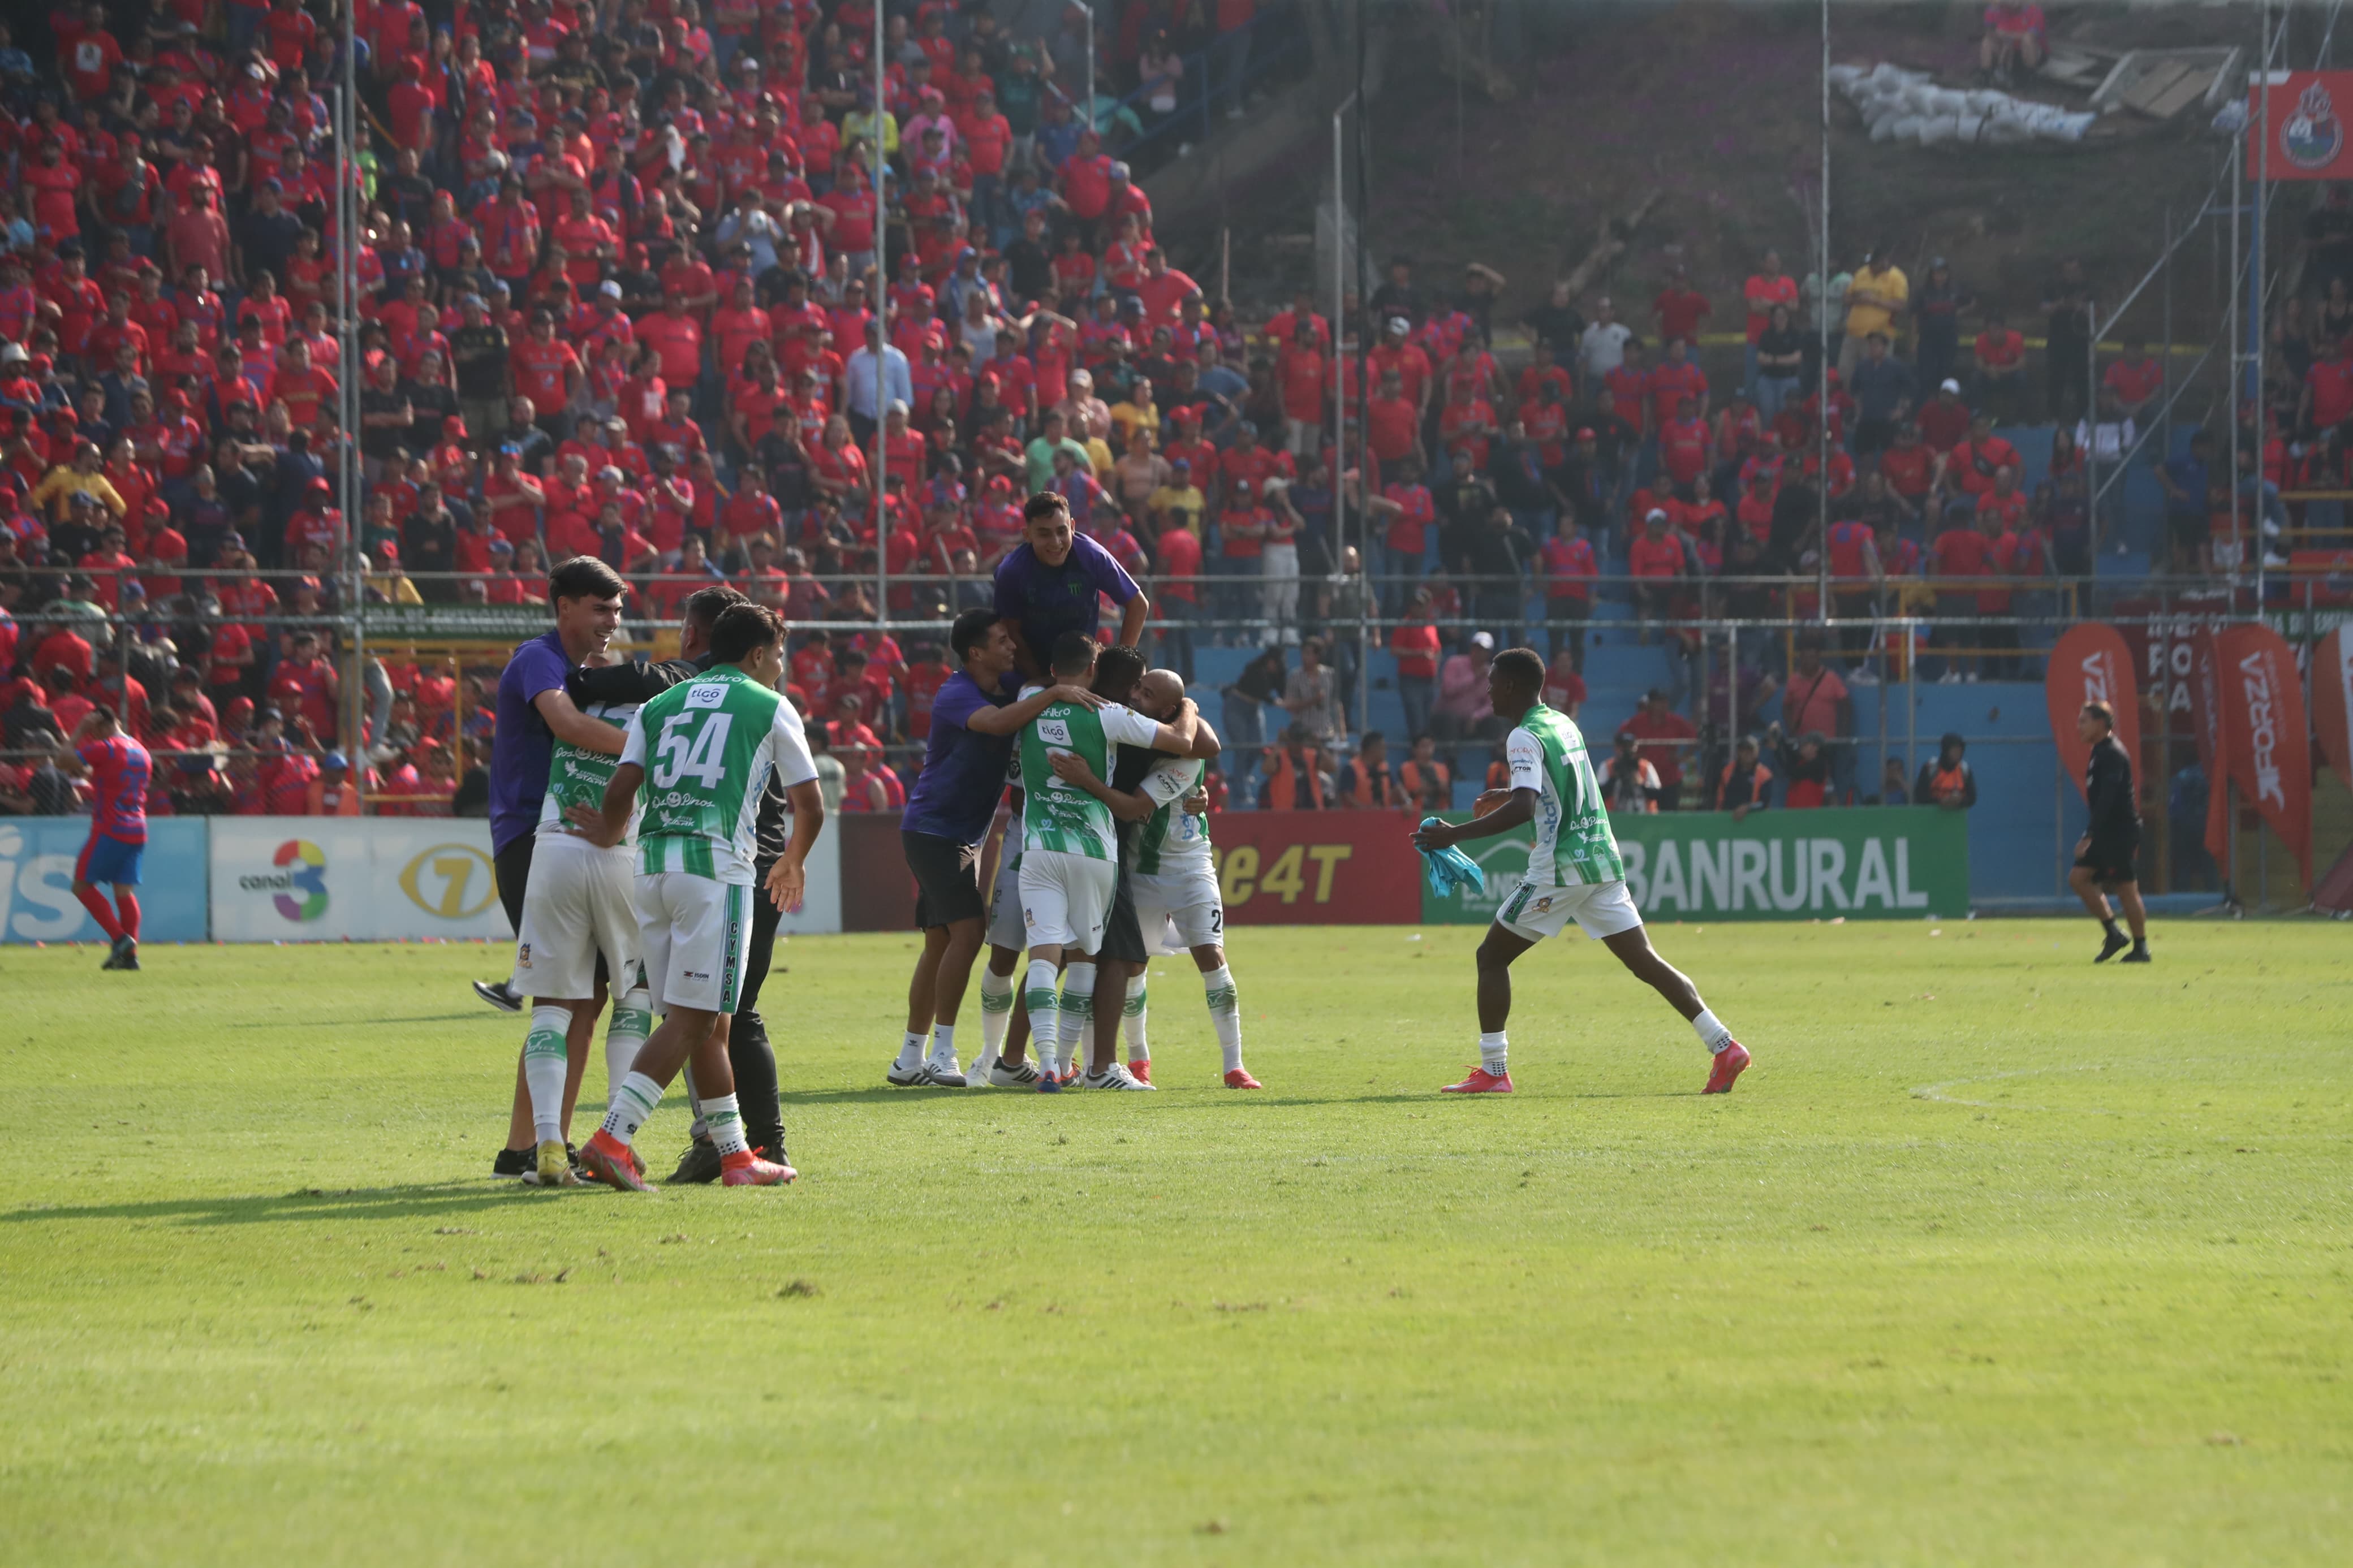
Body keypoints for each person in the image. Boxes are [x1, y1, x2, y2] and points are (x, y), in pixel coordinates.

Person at [1410, 649, 1750, 1096]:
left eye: (1493, 681)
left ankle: (1494, 1071)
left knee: (1491, 957)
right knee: (1645, 961)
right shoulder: (1562, 722)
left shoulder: (1521, 735)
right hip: (1601, 858)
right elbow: (1557, 785)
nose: (1488, 690)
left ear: (1512, 686)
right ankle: (1724, 1044)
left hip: (1561, 866)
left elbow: (1525, 808)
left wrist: (1456, 834)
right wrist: (1512, 790)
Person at [574, 603, 826, 1191]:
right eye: (780, 655)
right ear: (758, 654)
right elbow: (809, 803)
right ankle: (613, 1137)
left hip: (653, 867)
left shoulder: (659, 705)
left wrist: (610, 833)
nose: (781, 669)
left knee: (706, 1020)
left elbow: (620, 787)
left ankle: (736, 1156)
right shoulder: (768, 705)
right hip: (715, 869)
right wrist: (791, 860)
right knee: (694, 1018)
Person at [891, 608, 1111, 1088]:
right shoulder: (957, 692)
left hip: (960, 833)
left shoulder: (1009, 685)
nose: (1012, 646)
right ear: (976, 653)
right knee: (969, 934)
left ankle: (910, 1056)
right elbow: (993, 724)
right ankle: (944, 1052)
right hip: (935, 830)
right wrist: (1055, 691)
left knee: (940, 943)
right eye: (1000, 640)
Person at [1013, 631, 1204, 1091]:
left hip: (1037, 843)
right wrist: (1190, 705)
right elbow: (1187, 741)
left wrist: (1054, 690)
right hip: (1095, 849)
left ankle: (1043, 1066)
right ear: (1095, 672)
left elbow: (997, 722)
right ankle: (1084, 1066)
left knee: (1043, 954)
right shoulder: (1109, 715)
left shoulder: (1027, 702)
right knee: (1087, 957)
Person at [1051, 667, 1259, 1089]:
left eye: (1146, 693)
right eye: (1137, 688)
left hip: (1189, 868)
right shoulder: (1135, 730)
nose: (1135, 696)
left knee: (1212, 958)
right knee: (1131, 965)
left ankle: (1235, 1065)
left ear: (1170, 710)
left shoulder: (1185, 753)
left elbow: (1137, 803)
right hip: (1139, 868)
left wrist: (1087, 780)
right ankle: (1138, 1058)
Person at [507, 649, 643, 1190]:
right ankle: (618, 1140)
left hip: (555, 848)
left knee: (552, 1006)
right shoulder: (655, 714)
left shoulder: (571, 705)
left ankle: (547, 1146)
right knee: (635, 995)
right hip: (619, 855)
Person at [993, 491, 1148, 680]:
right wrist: (1040, 683)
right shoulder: (1011, 571)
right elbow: (1011, 631)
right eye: (1044, 534)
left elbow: (1139, 605)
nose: (1056, 542)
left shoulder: (1093, 556)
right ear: (1027, 535)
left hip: (1083, 669)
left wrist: (1118, 668)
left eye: (1062, 531)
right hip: (1029, 670)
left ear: (1073, 527)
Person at [57, 704, 149, 971]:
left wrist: (79, 731)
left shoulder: (106, 747)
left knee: (81, 886)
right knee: (124, 892)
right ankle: (130, 957)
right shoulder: (142, 751)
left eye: (93, 731)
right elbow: (111, 777)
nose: (92, 737)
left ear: (100, 725)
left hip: (110, 828)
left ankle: (121, 939)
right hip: (138, 829)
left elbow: (62, 760)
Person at [2069, 699, 2150, 964]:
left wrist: (2089, 835)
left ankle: (2141, 948)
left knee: (2126, 888)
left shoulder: (2112, 753)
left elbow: (2108, 798)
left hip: (2119, 832)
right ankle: (2114, 933)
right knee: (2079, 878)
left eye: (2084, 721)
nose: (2078, 726)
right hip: (2107, 831)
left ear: (2100, 724)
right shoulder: (2100, 751)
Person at [1914, 733, 1977, 811]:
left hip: (1956, 817)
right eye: (1954, 750)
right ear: (1945, 750)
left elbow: (1972, 798)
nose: (1957, 754)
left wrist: (1959, 801)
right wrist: (1940, 801)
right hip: (1931, 816)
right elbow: (1920, 796)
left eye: (1960, 751)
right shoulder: (1930, 768)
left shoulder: (1964, 769)